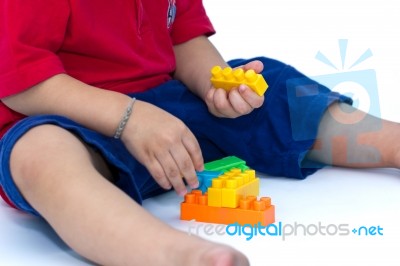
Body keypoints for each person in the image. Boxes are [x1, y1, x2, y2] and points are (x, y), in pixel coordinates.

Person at [1, 1, 399, 265]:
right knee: (39, 155)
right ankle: (175, 255)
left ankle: (391, 143)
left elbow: (184, 39)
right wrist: (128, 117)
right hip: (69, 116)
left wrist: (216, 87)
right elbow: (20, 81)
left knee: (273, 84)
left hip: (170, 112)